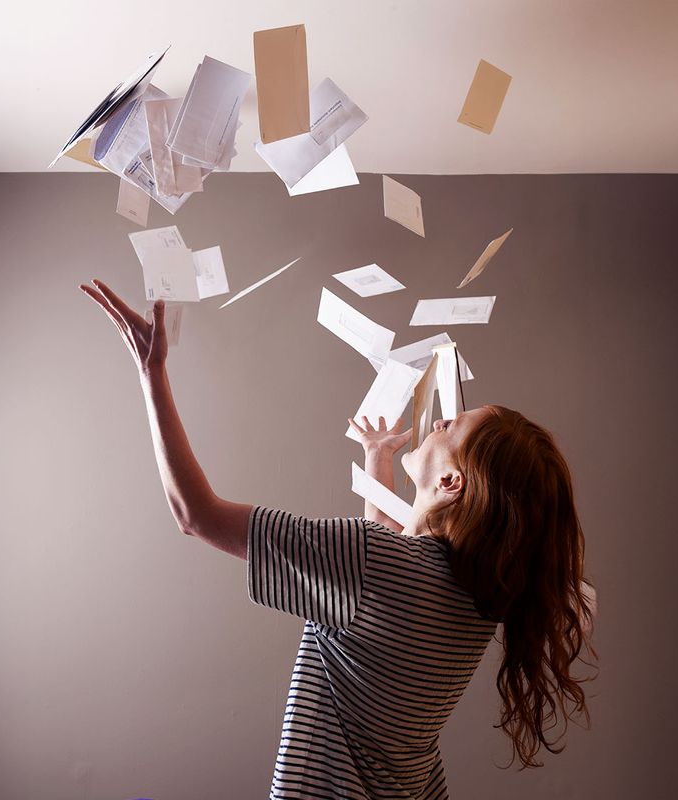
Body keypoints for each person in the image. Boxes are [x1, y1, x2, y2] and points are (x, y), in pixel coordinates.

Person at [80, 281, 596, 800]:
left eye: (451, 427)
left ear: (450, 483)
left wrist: (152, 373)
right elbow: (385, 579)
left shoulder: (376, 563)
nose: (438, 420)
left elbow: (196, 515)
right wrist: (378, 460)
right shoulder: (476, 599)